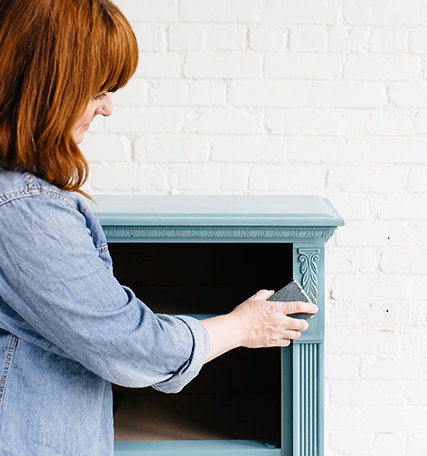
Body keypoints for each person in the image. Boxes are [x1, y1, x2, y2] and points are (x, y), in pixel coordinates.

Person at [0, 0, 317, 454]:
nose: (107, 108)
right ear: (49, 86)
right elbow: (135, 349)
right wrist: (242, 327)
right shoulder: (23, 211)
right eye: (97, 90)